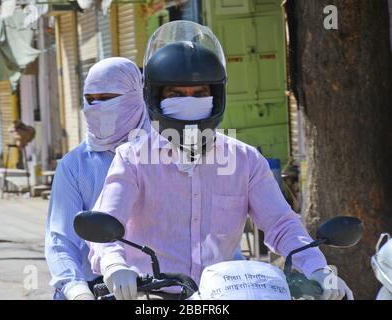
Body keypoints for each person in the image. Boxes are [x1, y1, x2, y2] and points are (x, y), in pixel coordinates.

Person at [88, 21, 353, 300]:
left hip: (226, 296)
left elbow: (282, 224)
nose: (188, 100)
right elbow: (107, 225)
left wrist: (318, 269)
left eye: (199, 93)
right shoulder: (132, 159)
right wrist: (115, 266)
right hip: (152, 297)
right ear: (155, 96)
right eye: (176, 94)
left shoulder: (245, 160)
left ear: (216, 96)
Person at [45, 57, 149, 300]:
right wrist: (75, 289)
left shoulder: (164, 153)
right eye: (90, 100)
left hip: (160, 285)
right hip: (96, 288)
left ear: (136, 97)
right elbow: (60, 240)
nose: (96, 107)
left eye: (107, 99)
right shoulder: (75, 165)